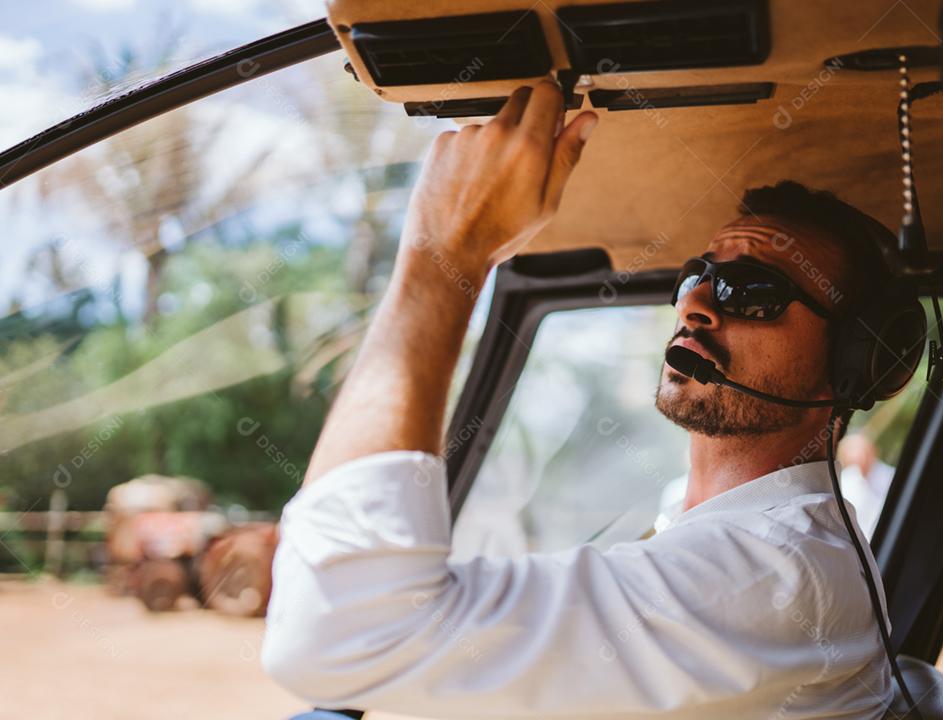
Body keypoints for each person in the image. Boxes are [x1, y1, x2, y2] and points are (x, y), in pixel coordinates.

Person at [262, 78, 901, 719]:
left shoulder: (777, 572)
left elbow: (339, 634)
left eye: (753, 290)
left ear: (850, 365)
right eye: (697, 277)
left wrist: (442, 252)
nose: (697, 305)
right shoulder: (702, 525)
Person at [838, 433, 895, 537]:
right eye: (852, 451)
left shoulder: (890, 476)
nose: (858, 457)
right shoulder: (843, 483)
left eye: (862, 452)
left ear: (872, 452)